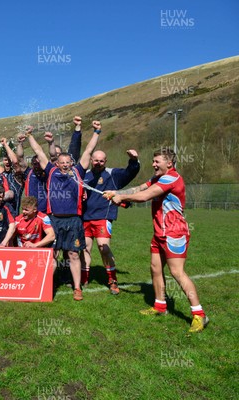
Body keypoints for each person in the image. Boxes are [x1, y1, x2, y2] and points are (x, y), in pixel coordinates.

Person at [104, 148, 208, 333]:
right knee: (155, 268)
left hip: (174, 233)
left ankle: (199, 314)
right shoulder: (158, 178)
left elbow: (144, 196)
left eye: (156, 161)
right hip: (160, 232)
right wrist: (115, 192)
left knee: (177, 272)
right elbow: (140, 188)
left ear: (169, 163)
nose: (153, 164)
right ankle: (160, 306)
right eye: (153, 161)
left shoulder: (171, 178)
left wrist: (122, 197)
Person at [29, 120, 101, 301]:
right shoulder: (51, 172)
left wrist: (97, 132)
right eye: (62, 162)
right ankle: (45, 286)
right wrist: (30, 135)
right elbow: (38, 151)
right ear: (57, 163)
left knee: (73, 254)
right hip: (54, 220)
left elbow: (88, 151)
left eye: (68, 162)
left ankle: (77, 288)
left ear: (71, 163)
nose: (65, 165)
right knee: (52, 254)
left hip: (74, 221)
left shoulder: (78, 172)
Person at [80, 149, 140, 294]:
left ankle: (112, 280)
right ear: (91, 160)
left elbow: (130, 173)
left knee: (103, 248)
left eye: (101, 161)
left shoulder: (113, 174)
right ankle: (84, 278)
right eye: (95, 160)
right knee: (85, 248)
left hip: (103, 217)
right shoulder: (84, 175)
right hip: (85, 218)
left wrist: (133, 160)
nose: (98, 163)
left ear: (105, 161)